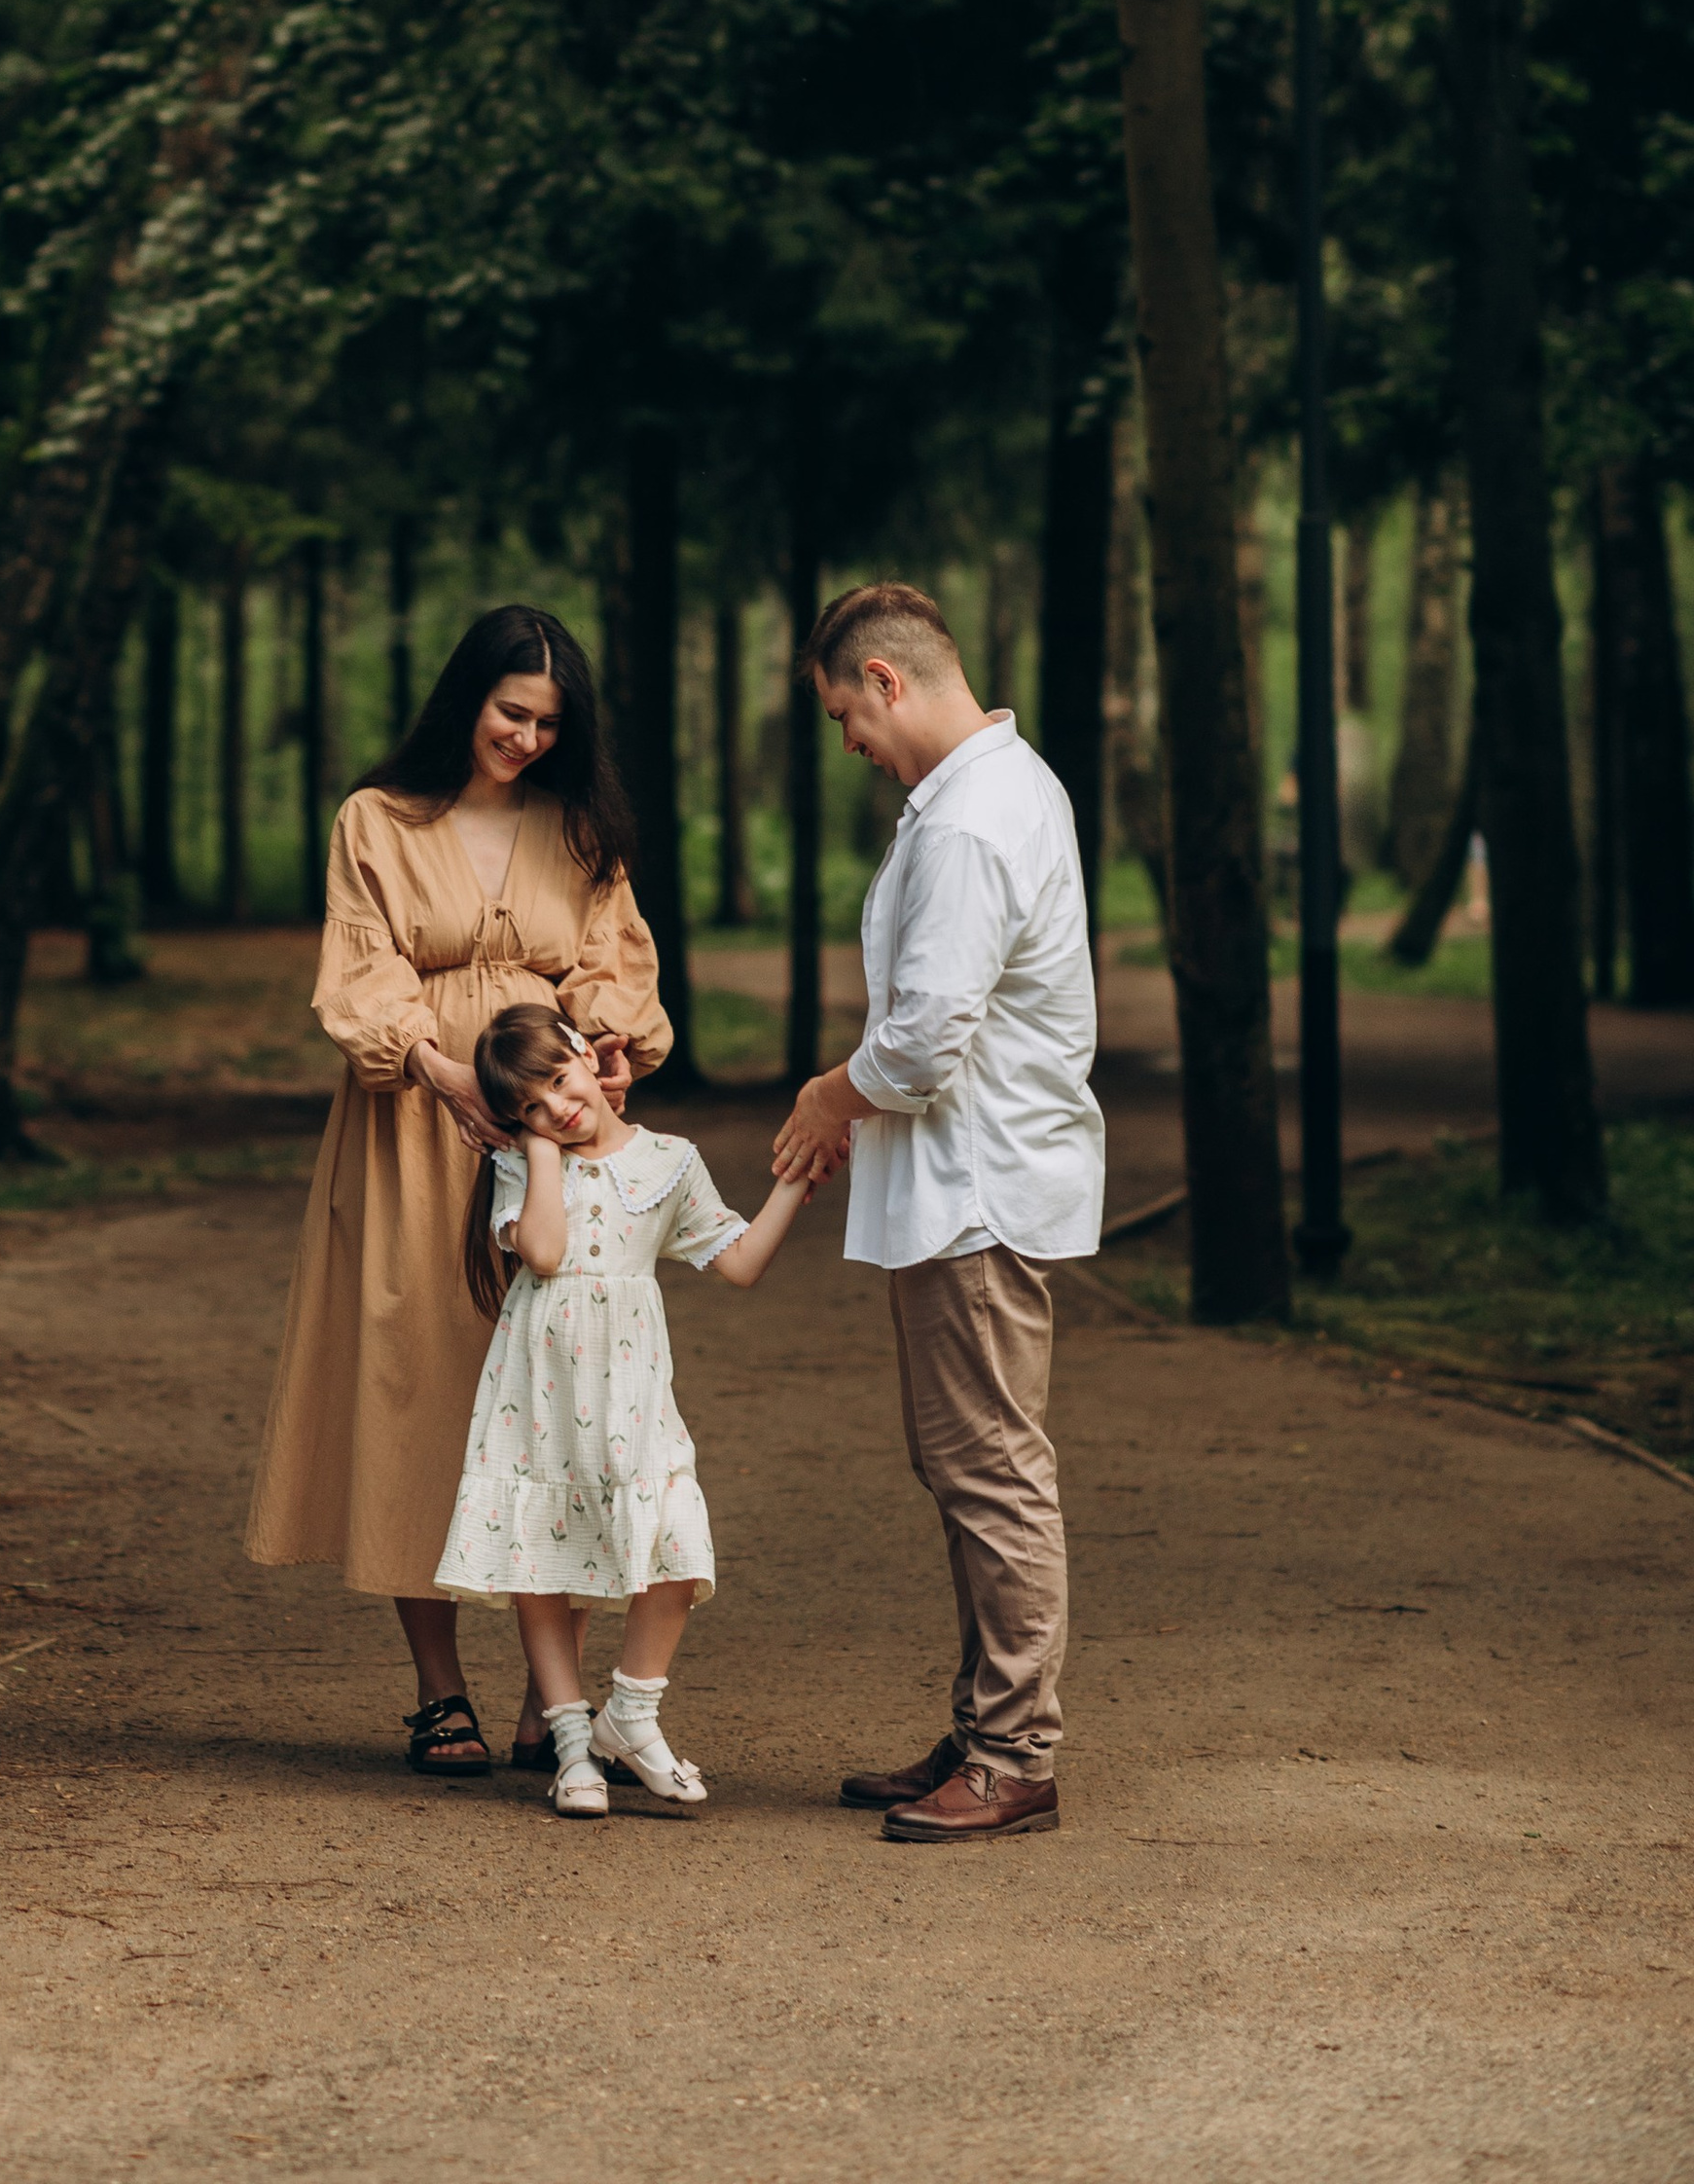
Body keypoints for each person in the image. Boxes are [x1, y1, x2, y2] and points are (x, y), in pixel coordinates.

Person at [243, 606, 672, 1777]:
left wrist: (610, 1043)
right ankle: (440, 1694)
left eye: (548, 723)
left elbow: (610, 963)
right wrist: (433, 1071)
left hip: (547, 1125)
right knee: (417, 1383)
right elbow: (360, 968)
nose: (527, 739)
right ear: (465, 701)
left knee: (563, 1388)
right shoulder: (376, 821)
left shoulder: (578, 829)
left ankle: (555, 1700)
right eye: (509, 713)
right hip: (407, 1136)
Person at [772, 579, 1104, 1845]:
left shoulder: (971, 820)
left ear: (886, 683)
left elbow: (922, 1042)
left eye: (843, 716)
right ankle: (985, 1725)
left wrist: (824, 1098)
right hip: (972, 1177)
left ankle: (1015, 1751)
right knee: (969, 1461)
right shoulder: (1001, 790)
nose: (847, 743)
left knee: (992, 1469)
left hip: (980, 1184)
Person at [437, 1005, 811, 1814]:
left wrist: (796, 1183)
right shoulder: (523, 1163)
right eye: (529, 1106)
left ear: (585, 1054)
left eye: (559, 1084)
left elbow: (739, 1261)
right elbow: (541, 1251)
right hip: (539, 1387)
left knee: (676, 1543)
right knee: (541, 1556)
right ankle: (572, 1746)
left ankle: (631, 1717)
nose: (555, 1110)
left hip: (631, 1390)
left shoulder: (671, 1161)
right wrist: (538, 1148)